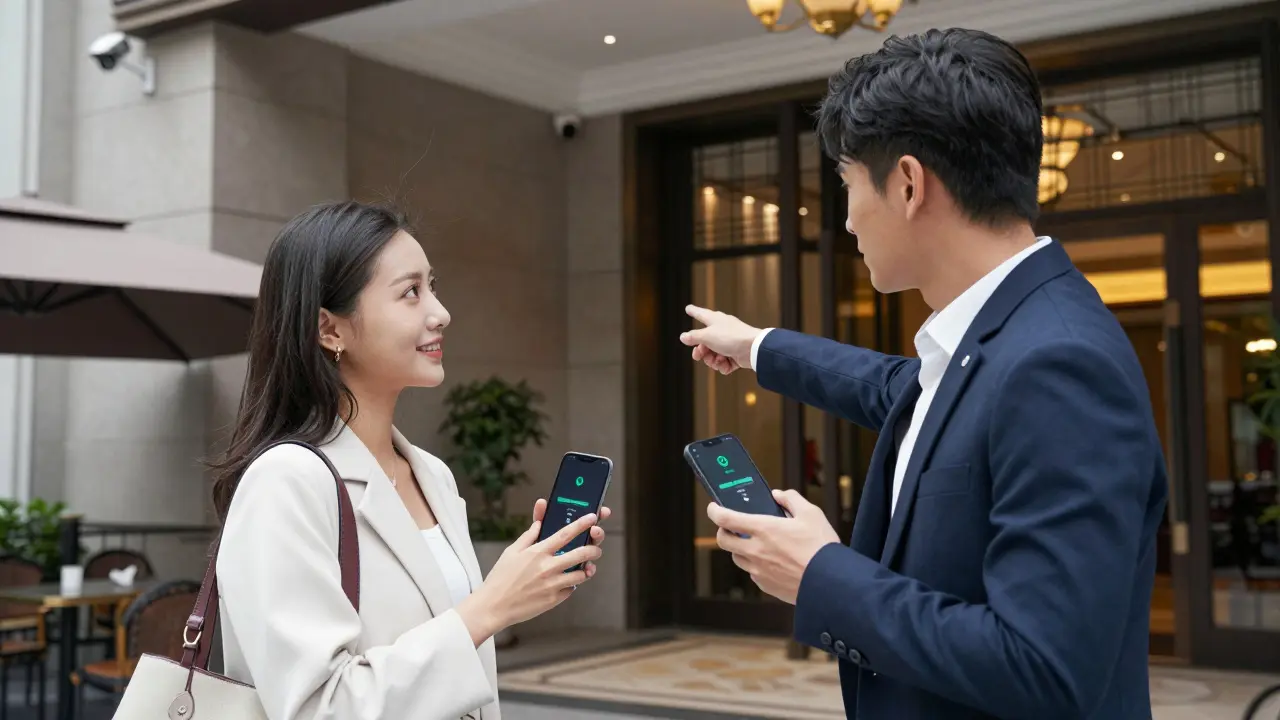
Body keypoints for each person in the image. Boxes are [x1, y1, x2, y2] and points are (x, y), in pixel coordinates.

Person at [680, 28, 1167, 720]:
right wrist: (757, 345)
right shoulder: (1006, 332)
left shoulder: (1059, 364)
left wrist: (821, 573)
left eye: (848, 185)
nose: (848, 220)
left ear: (909, 184)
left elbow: (1044, 669)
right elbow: (896, 389)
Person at [210, 200, 608, 720]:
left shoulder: (432, 475)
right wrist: (492, 606)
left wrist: (518, 589)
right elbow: (318, 707)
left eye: (432, 286)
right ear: (331, 330)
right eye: (410, 292)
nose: (440, 313)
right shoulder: (286, 481)